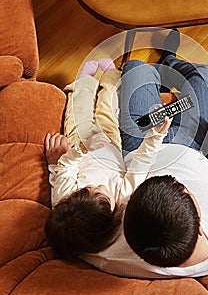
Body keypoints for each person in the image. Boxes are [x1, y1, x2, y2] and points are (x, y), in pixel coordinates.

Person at [79, 30, 208, 279]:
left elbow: (73, 234)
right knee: (205, 74)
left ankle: (161, 70)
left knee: (136, 68)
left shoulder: (113, 254)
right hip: (197, 149)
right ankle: (170, 61)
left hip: (140, 145)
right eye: (183, 188)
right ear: (201, 228)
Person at [45, 58, 172, 257]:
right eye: (101, 193)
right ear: (111, 218)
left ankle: (83, 81)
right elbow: (140, 164)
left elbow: (66, 166)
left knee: (79, 106)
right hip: (112, 142)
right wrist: (155, 135)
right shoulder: (124, 197)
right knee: (109, 106)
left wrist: (83, 148)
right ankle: (111, 76)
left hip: (81, 140)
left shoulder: (65, 198)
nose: (98, 186)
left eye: (88, 189)